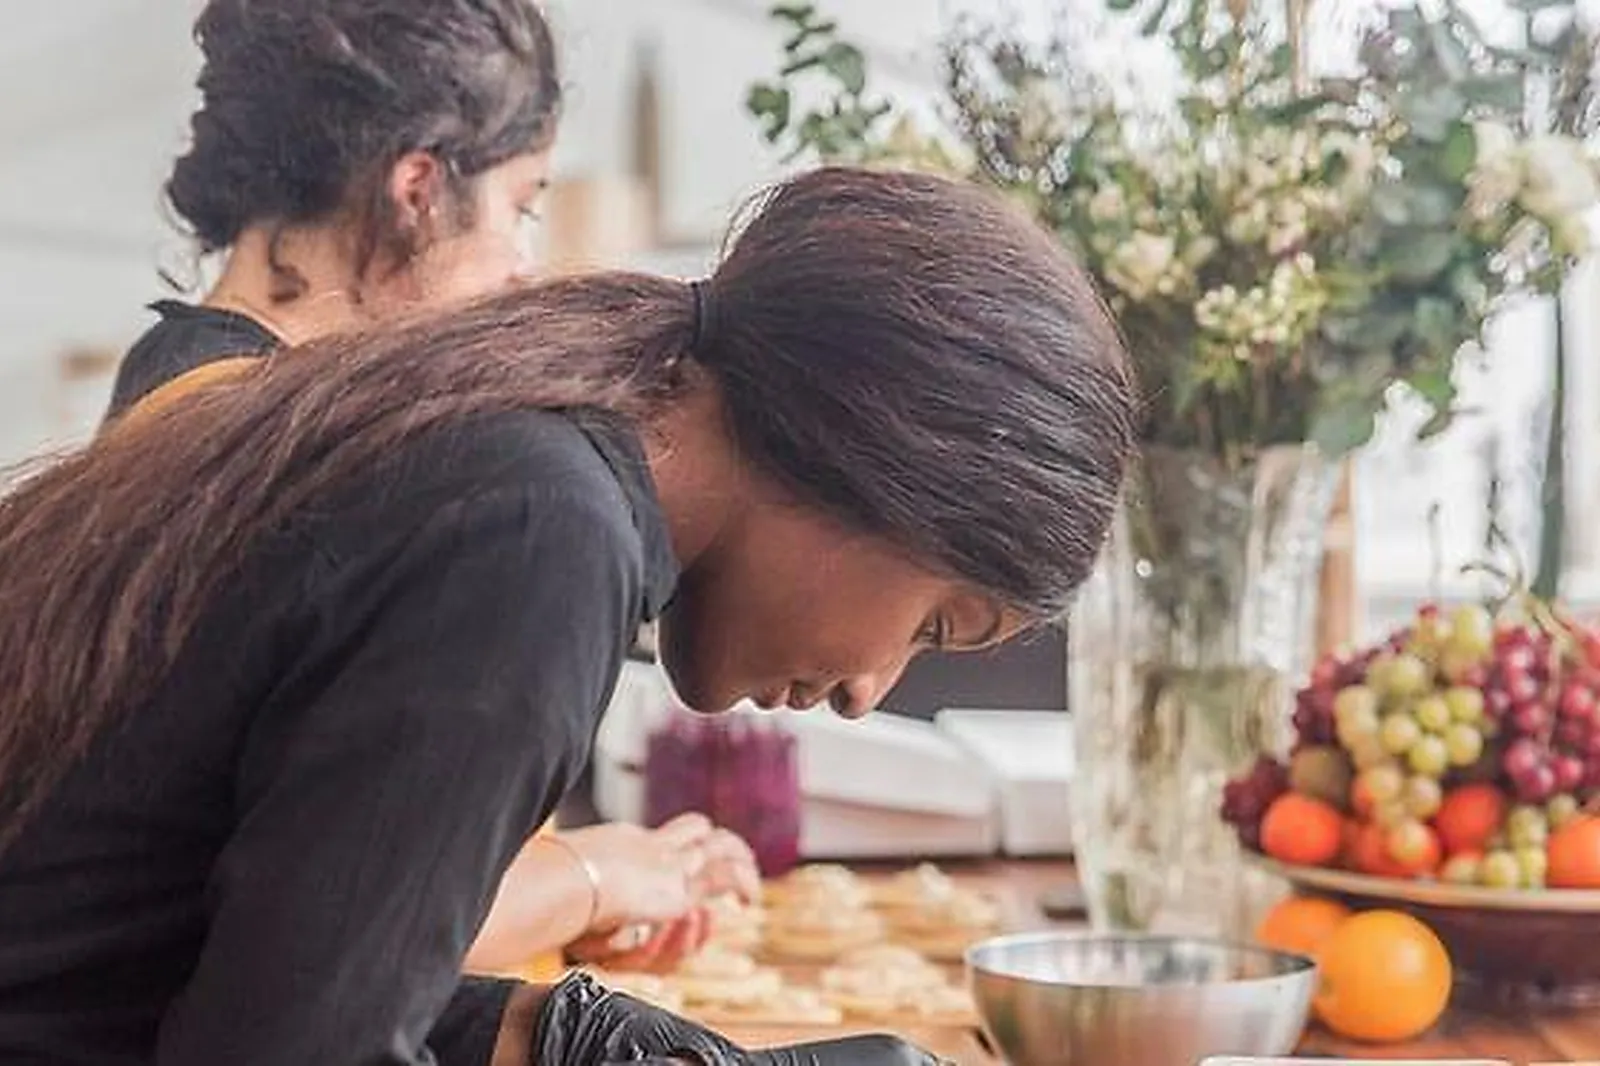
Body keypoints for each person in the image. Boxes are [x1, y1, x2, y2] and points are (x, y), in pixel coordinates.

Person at [0, 122, 1139, 1066]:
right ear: (872, 461)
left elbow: (244, 982)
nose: (867, 692)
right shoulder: (541, 539)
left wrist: (559, 1033)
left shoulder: (525, 459)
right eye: (933, 624)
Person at [102, 0, 758, 977]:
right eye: (520, 206)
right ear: (417, 189)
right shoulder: (244, 429)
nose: (521, 267)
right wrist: (594, 873)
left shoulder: (188, 379)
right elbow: (311, 920)